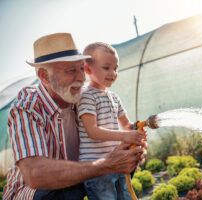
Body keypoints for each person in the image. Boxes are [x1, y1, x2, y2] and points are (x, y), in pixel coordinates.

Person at [3, 33, 146, 200]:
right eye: (71, 70)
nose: (82, 77)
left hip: (79, 180)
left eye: (81, 68)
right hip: (34, 193)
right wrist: (107, 164)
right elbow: (36, 175)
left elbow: (109, 139)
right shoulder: (27, 106)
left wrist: (130, 151)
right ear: (44, 76)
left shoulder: (81, 98)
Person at [77, 42, 146, 200]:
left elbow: (127, 126)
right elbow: (92, 131)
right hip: (97, 170)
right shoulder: (87, 95)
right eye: (106, 68)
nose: (113, 73)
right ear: (88, 69)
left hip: (118, 163)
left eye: (116, 68)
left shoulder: (114, 97)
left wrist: (136, 130)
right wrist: (124, 136)